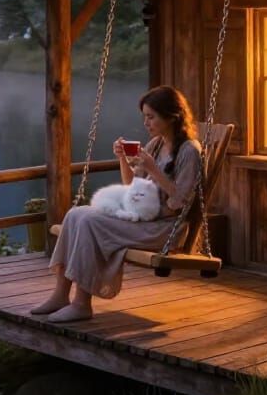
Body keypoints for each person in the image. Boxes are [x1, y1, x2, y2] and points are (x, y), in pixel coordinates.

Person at [30, 85, 203, 323]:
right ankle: (60, 295)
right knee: (76, 214)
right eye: (144, 117)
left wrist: (154, 170)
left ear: (171, 117)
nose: (146, 123)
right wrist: (123, 159)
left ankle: (82, 304)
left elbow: (181, 202)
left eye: (151, 117)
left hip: (164, 228)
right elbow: (130, 188)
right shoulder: (155, 145)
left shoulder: (189, 152)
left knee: (90, 222)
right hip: (141, 218)